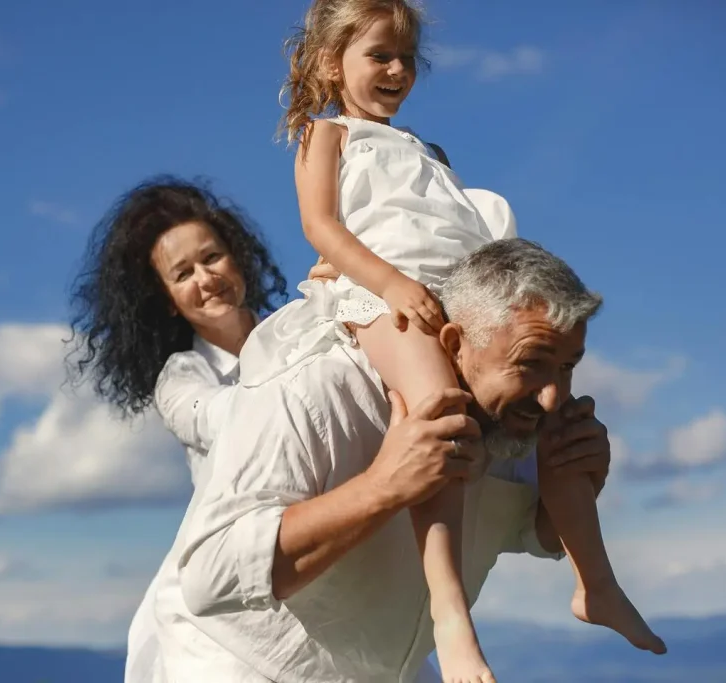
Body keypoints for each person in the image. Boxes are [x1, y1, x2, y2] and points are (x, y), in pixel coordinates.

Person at [240, 1, 665, 679]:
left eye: (407, 57)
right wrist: (386, 282)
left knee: (558, 418)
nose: (398, 69)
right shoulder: (327, 136)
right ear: (331, 62)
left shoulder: (428, 153)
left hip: (461, 296)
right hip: (385, 295)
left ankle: (597, 582)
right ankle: (450, 611)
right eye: (379, 54)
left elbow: (461, 234)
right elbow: (323, 228)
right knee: (439, 406)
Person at [156, 238, 611, 682]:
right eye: (531, 363)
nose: (553, 398)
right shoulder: (315, 388)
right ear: (453, 344)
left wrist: (578, 479)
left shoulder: (513, 424)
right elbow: (208, 577)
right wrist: (383, 487)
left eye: (568, 367)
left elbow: (528, 531)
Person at [64, 176, 291, 683]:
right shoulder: (181, 377)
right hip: (230, 582)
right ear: (168, 299)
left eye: (212, 258)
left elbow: (369, 319)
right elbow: (220, 419)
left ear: (239, 258)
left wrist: (350, 294)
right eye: (182, 273)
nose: (205, 279)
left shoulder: (297, 327)